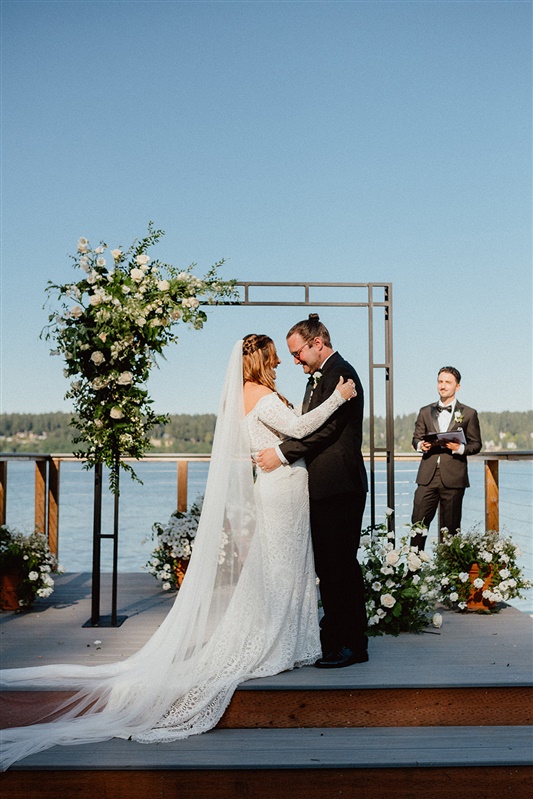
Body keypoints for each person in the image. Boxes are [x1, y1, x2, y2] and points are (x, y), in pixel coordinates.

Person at [0, 335, 357, 770]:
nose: (281, 363)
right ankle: (281, 643)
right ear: (260, 360)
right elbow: (300, 429)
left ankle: (291, 638)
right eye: (275, 358)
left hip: (279, 488)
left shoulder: (247, 395)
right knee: (284, 567)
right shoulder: (261, 395)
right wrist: (338, 398)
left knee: (282, 566)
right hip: (283, 490)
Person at [255, 314, 368, 669]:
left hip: (339, 485)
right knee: (330, 566)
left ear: (317, 343)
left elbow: (325, 432)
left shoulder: (342, 374)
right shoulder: (320, 375)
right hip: (322, 486)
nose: (295, 361)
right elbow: (306, 426)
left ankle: (353, 645)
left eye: (298, 353)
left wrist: (280, 454)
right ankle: (334, 634)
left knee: (340, 566)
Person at [410, 366, 482, 549]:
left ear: (457, 387)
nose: (443, 386)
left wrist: (459, 448)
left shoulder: (469, 413)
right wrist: (420, 445)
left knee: (450, 531)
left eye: (447, 382)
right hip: (427, 477)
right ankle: (412, 574)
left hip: (454, 479)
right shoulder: (425, 411)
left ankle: (448, 575)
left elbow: (476, 444)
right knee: (417, 527)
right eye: (440, 381)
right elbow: (416, 438)